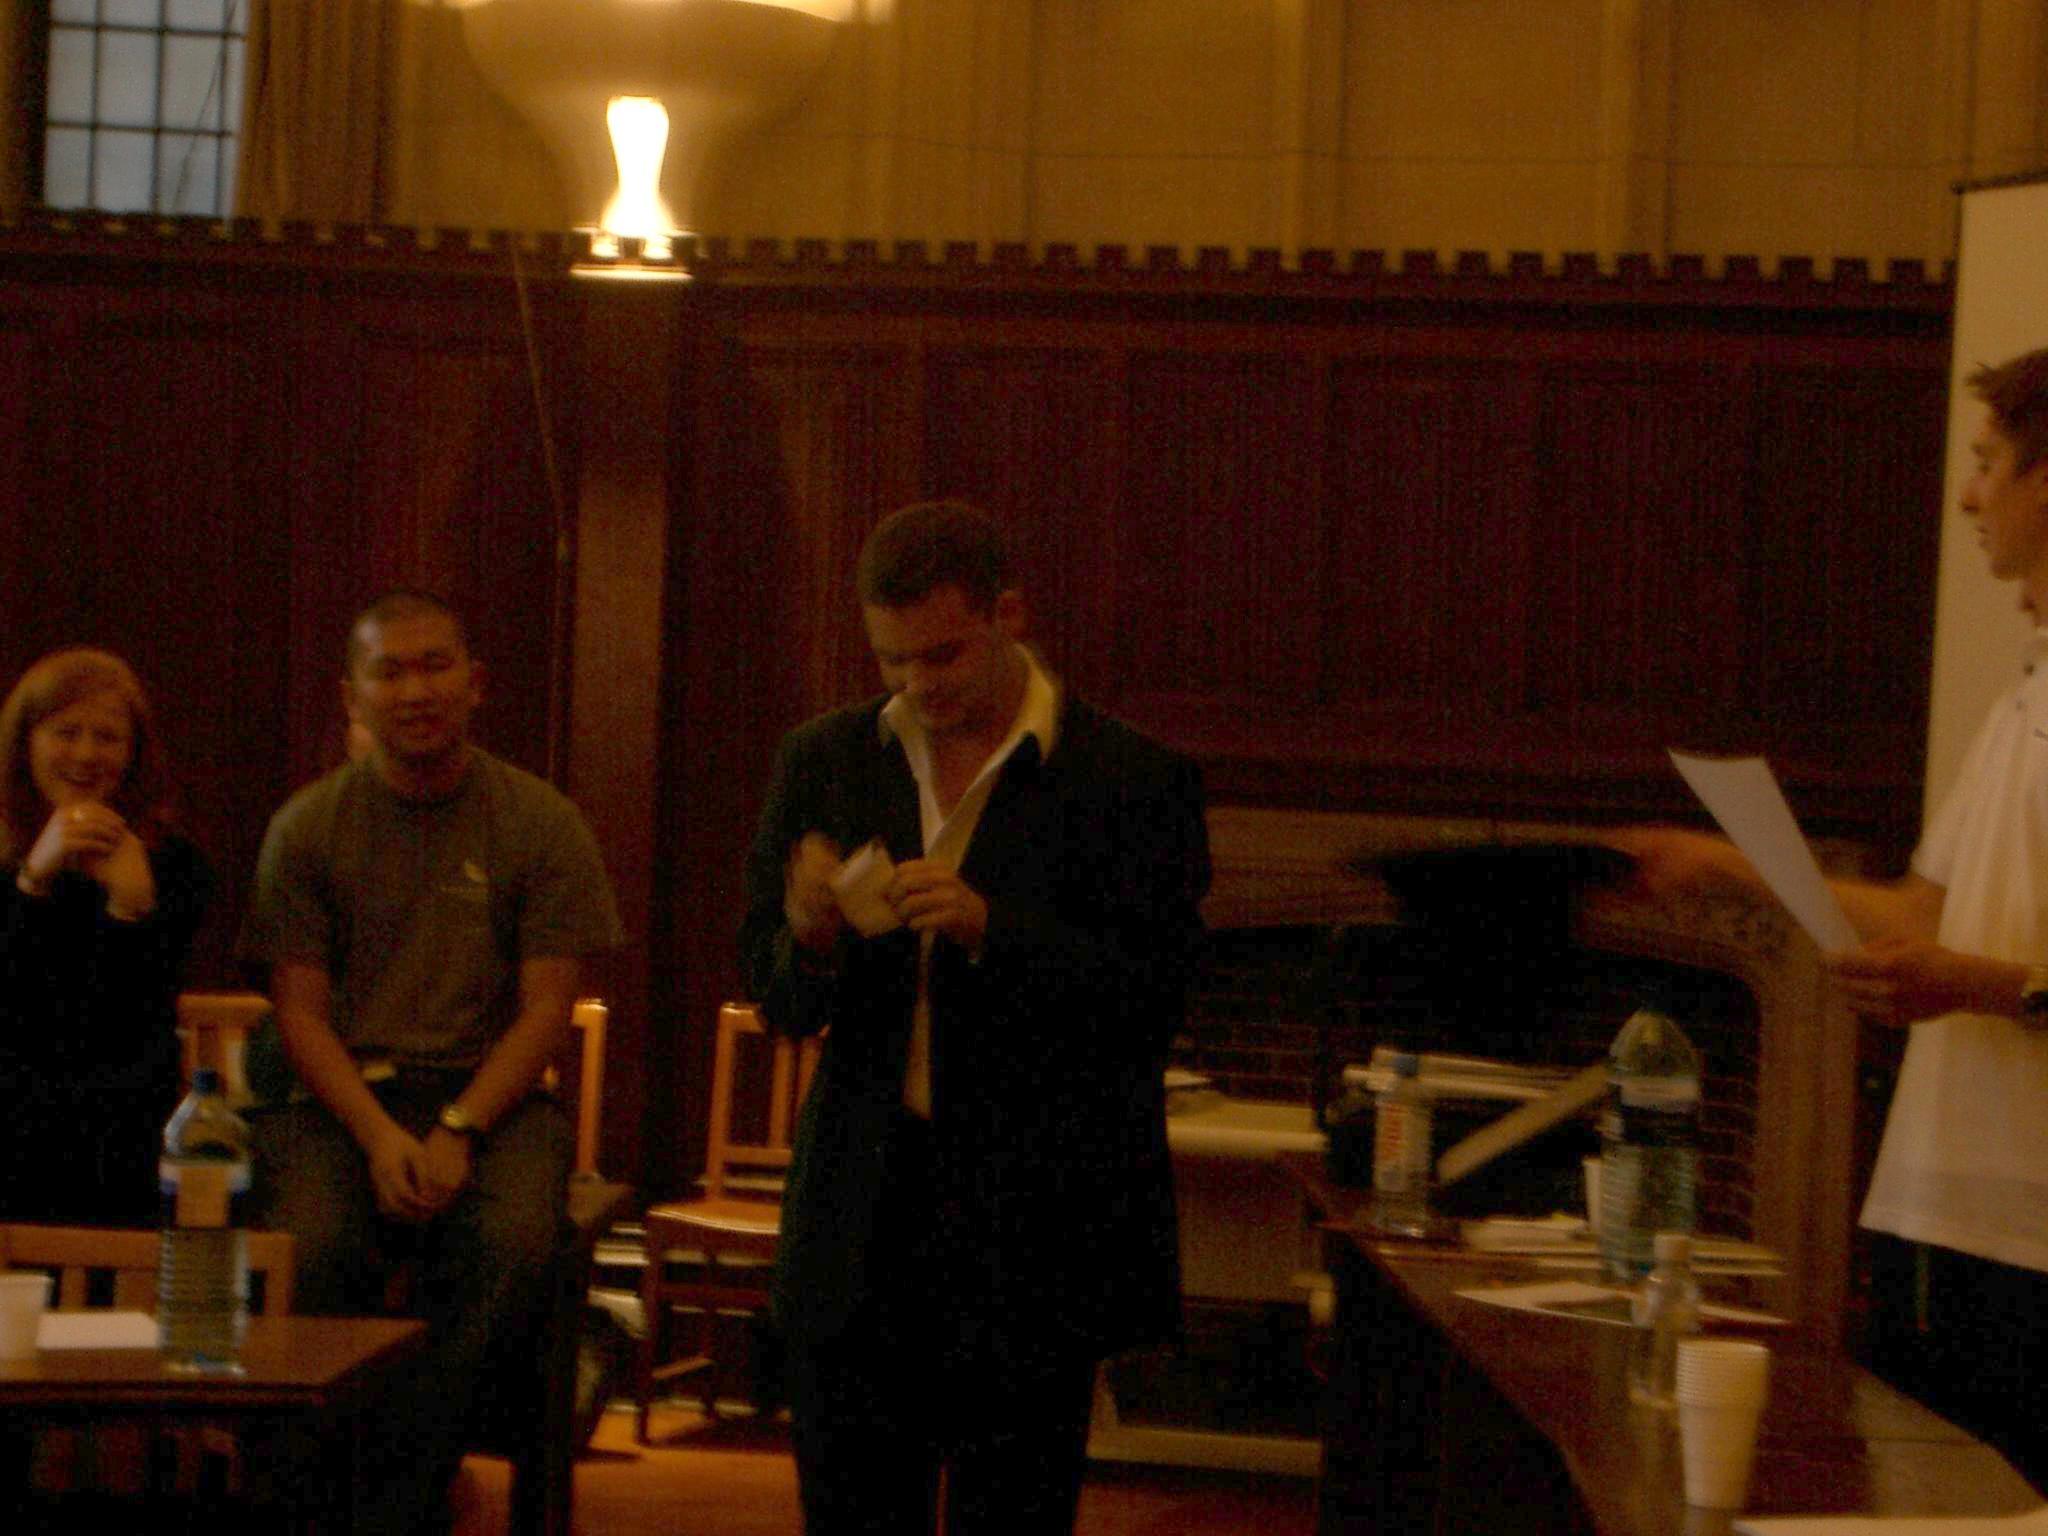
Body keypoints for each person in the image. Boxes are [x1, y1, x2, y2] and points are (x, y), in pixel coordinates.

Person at [1616, 346, 2048, 1493]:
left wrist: (1968, 985)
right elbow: (1918, 913)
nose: (1966, 496)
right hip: (1937, 1207)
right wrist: (1721, 864)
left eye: (1986, 463)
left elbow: (1975, 965)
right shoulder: (2021, 692)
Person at [741, 500, 1212, 1534]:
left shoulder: (1131, 779)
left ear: (1008, 614)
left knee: (1014, 1515)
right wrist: (808, 938)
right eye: (891, 659)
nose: (917, 683)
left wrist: (992, 929)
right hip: (863, 1208)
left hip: (1036, 1217)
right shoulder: (827, 759)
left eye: (942, 654)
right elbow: (776, 1001)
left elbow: (1154, 1006)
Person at [242, 590, 621, 1535]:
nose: (415, 690)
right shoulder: (306, 826)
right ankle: (324, 1489)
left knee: (515, 1244)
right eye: (390, 672)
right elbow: (298, 1014)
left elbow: (547, 1011)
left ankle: (408, 1483)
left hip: (491, 1096)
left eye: (435, 665)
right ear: (353, 696)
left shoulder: (539, 821)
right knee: (309, 1244)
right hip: (338, 1099)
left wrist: (458, 1128)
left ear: (475, 682)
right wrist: (378, 1137)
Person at [0, 648, 213, 1225]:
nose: (86, 754)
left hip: (124, 1124)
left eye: (107, 737)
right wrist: (32, 882)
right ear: (26, 743)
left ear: (134, 753)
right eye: (65, 733)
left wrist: (130, 909)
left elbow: (128, 1031)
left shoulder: (176, 865)